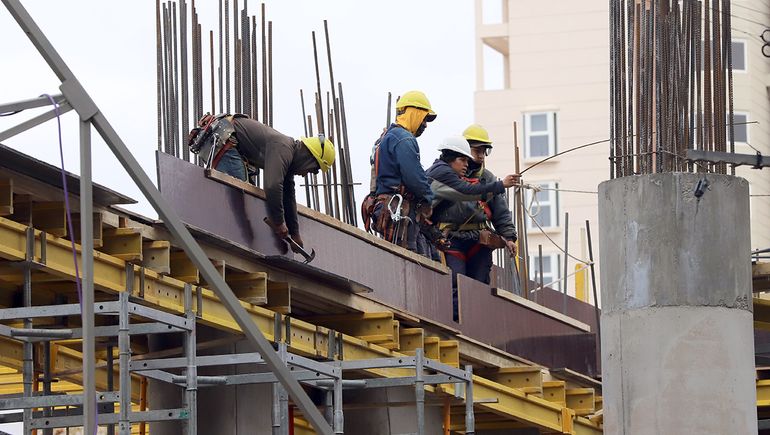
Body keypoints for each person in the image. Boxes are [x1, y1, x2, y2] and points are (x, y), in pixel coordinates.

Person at [188, 114, 335, 251]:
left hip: (229, 142)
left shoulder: (288, 158)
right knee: (241, 195)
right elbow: (272, 186)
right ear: (309, 158)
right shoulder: (284, 148)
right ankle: (226, 242)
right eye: (313, 170)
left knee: (247, 199)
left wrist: (295, 234)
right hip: (224, 140)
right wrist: (279, 222)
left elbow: (288, 196)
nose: (305, 175)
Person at [426, 134, 519, 319]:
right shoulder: (446, 175)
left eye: (484, 152)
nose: (480, 156)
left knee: (478, 287)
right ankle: (457, 325)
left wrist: (509, 237)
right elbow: (466, 191)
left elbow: (500, 212)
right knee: (454, 284)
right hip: (452, 238)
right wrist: (501, 185)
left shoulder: (486, 178)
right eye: (476, 151)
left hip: (478, 239)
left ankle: (476, 325)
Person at [366, 90, 437, 255]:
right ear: (414, 113)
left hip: (387, 206)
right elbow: (414, 177)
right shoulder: (404, 139)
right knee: (409, 257)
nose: (425, 125)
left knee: (396, 254)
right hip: (398, 209)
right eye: (424, 119)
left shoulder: (385, 137)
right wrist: (428, 198)